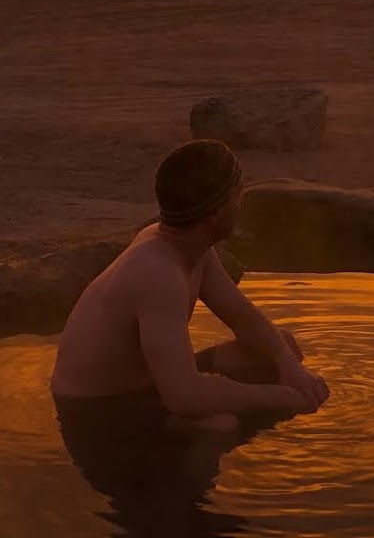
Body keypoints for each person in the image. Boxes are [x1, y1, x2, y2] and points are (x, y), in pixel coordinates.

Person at [52, 138, 330, 495]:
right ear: (215, 212)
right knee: (219, 424)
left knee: (284, 347)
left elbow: (243, 318)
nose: (242, 202)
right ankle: (183, 506)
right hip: (98, 408)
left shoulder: (190, 247)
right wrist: (286, 398)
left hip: (147, 384)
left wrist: (287, 366)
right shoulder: (159, 273)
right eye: (238, 194)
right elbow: (183, 396)